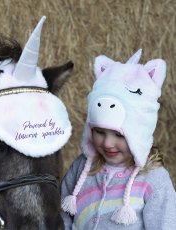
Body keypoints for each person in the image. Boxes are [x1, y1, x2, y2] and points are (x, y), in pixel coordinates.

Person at [61, 50, 176, 229]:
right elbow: (62, 218)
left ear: (139, 133)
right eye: (99, 131)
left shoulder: (153, 179)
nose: (107, 143)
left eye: (119, 135)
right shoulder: (82, 168)